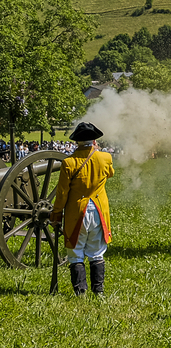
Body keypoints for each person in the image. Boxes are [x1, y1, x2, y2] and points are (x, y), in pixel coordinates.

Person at [51, 122, 116, 296]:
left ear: (77, 141)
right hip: (98, 210)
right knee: (96, 252)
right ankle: (99, 291)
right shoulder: (105, 158)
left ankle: (80, 292)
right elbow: (110, 173)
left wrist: (56, 212)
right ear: (94, 140)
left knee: (75, 252)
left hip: (76, 212)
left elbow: (63, 193)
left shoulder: (69, 162)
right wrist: (97, 151)